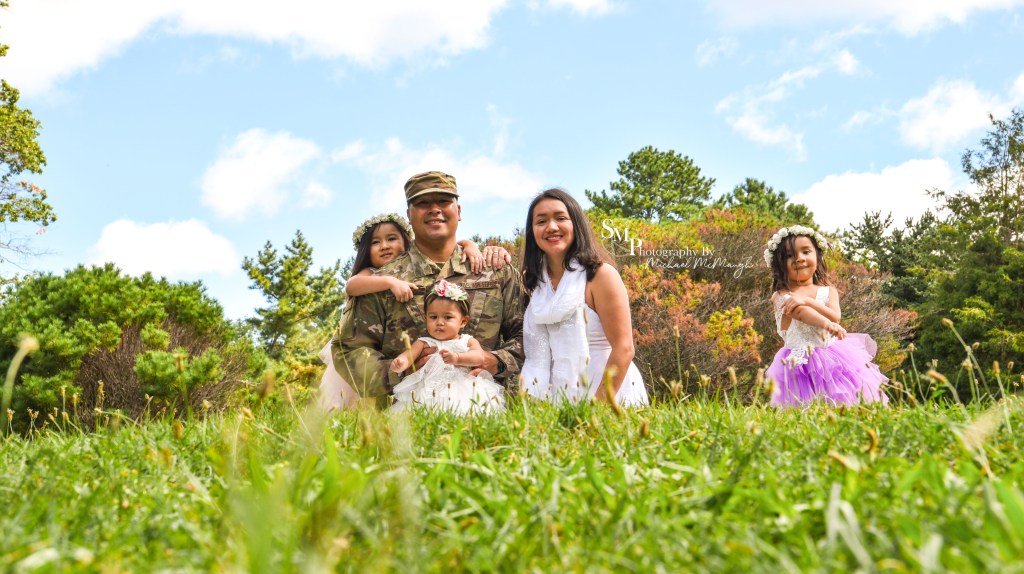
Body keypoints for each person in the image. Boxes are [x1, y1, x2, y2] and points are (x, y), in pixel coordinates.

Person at [332, 171, 526, 408]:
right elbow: (349, 351)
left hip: (488, 412)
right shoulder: (382, 280)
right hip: (408, 419)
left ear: (459, 211)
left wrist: (495, 361)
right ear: (409, 216)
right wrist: (400, 372)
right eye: (423, 203)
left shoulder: (495, 270)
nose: (434, 209)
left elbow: (527, 335)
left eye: (444, 201)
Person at [519, 188, 649, 406]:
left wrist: (596, 408)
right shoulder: (536, 285)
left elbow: (624, 348)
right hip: (559, 397)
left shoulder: (600, 275)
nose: (551, 227)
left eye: (561, 218)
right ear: (533, 231)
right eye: (541, 221)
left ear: (576, 224)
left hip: (608, 393)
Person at [763, 225, 889, 406]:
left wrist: (808, 301)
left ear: (817, 256)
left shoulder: (828, 291)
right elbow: (799, 313)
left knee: (841, 399)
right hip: (799, 360)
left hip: (832, 356)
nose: (799, 259)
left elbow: (835, 316)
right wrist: (826, 324)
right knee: (803, 404)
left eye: (806, 252)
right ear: (779, 263)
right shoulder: (781, 295)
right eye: (790, 255)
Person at [389, 280, 505, 413]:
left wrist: (457, 358)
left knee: (465, 412)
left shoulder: (467, 341)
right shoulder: (424, 342)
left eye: (447, 317)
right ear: (425, 318)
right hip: (427, 389)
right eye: (433, 317)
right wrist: (401, 363)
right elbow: (408, 356)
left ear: (463, 321)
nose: (439, 322)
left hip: (462, 386)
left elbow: (479, 357)